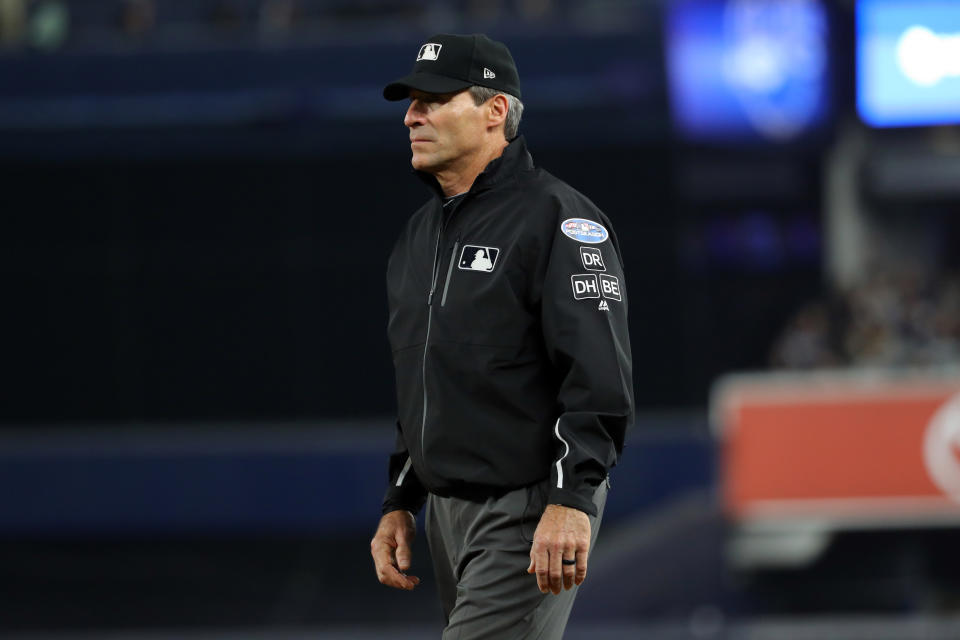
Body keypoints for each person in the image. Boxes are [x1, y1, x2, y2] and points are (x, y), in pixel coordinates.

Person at [370, 33, 634, 639]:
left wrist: (572, 499)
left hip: (527, 505)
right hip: (446, 516)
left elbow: (597, 375)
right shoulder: (418, 236)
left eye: (434, 99)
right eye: (411, 102)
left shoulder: (560, 219)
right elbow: (427, 383)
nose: (413, 114)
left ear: (495, 111)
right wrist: (400, 501)